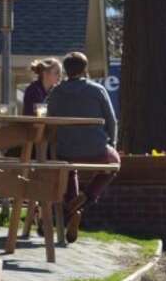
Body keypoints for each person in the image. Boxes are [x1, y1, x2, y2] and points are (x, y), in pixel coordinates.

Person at [46, 52, 119, 243]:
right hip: (96, 149)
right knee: (115, 163)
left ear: (65, 70)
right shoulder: (97, 90)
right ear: (85, 69)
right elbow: (111, 121)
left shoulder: (55, 92)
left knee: (69, 169)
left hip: (65, 150)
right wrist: (112, 143)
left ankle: (72, 211)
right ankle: (86, 197)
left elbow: (49, 122)